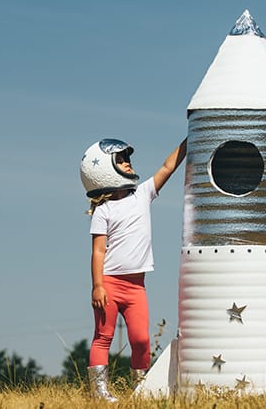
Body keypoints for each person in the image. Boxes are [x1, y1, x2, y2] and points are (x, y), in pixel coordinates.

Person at [79, 137, 187, 401]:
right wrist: (97, 286)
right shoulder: (103, 211)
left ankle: (140, 388)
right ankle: (99, 392)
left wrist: (189, 140)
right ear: (103, 169)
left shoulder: (142, 194)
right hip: (110, 285)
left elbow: (167, 168)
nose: (128, 163)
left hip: (137, 287)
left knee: (141, 340)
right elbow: (98, 251)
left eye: (127, 159)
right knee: (103, 337)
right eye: (121, 160)